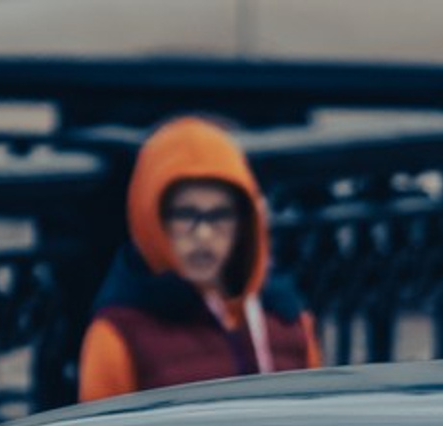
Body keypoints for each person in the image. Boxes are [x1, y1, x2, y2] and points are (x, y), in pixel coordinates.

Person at [76, 118, 322, 403]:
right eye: (185, 215)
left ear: (245, 222)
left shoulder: (287, 320)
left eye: (219, 215)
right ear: (151, 218)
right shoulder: (120, 334)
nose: (203, 234)